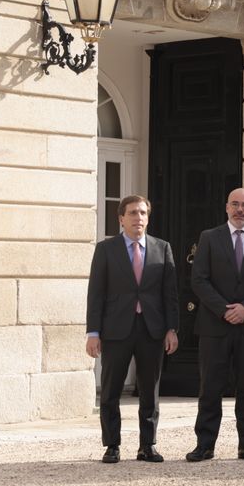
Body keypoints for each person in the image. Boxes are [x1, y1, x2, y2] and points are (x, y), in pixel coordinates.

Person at [186, 187, 244, 462]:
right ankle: (205, 444)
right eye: (235, 204)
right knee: (210, 387)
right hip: (215, 325)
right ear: (226, 208)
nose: (240, 209)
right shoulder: (209, 238)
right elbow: (199, 279)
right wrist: (224, 310)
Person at [86, 195, 179, 464]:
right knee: (111, 390)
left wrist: (172, 328)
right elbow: (96, 293)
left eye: (142, 213)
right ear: (121, 218)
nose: (138, 218)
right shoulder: (106, 249)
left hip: (152, 329)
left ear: (147, 218)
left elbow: (169, 294)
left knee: (150, 391)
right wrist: (93, 332)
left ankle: (147, 445)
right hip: (116, 330)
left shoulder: (162, 248)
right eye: (132, 213)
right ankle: (112, 445)